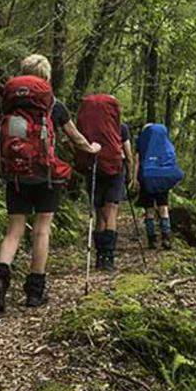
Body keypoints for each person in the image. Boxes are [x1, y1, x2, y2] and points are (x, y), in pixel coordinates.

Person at [0, 54, 101, 310]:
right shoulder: (53, 105)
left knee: (14, 230)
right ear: (47, 78)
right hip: (45, 174)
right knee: (41, 230)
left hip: (15, 174)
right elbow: (75, 138)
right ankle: (35, 291)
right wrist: (92, 148)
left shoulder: (10, 105)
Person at [75, 94, 135, 271]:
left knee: (99, 212)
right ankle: (108, 256)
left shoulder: (89, 128)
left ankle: (99, 256)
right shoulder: (121, 128)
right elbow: (128, 153)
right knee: (111, 211)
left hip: (92, 167)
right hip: (114, 169)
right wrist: (130, 173)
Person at [131, 123, 183, 250]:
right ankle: (166, 237)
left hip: (147, 177)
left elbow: (137, 161)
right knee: (163, 207)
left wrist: (134, 178)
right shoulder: (165, 142)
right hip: (162, 177)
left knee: (149, 209)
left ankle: (151, 239)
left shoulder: (142, 141)